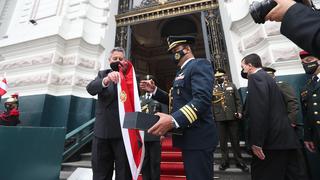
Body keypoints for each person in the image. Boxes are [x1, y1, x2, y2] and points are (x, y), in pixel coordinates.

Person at [139, 35, 218, 180]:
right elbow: (176, 100)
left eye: (176, 50)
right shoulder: (181, 72)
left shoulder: (199, 65)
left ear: (187, 49)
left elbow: (202, 100)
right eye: (172, 52)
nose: (174, 54)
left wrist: (173, 120)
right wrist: (155, 91)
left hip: (198, 136)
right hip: (188, 137)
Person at [241, 53, 307, 180]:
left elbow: (259, 112)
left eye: (243, 66)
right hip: (285, 139)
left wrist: (257, 142)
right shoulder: (268, 77)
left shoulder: (255, 78)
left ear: (250, 66)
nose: (243, 70)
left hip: (271, 142)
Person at [86, 47, 132, 180]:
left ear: (125, 61)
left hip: (123, 134)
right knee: (101, 173)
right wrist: (106, 80)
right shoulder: (102, 74)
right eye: (115, 58)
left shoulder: (130, 77)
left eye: (120, 59)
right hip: (103, 133)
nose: (117, 61)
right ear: (109, 60)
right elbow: (90, 89)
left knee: (123, 173)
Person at [212, 68, 249, 172]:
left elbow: (238, 100)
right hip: (219, 118)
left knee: (235, 140)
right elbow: (211, 104)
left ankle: (239, 161)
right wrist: (213, 116)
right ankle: (224, 161)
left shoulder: (231, 86)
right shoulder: (212, 88)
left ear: (225, 76)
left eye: (221, 76)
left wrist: (240, 111)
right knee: (223, 142)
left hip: (233, 117)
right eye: (217, 77)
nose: (219, 78)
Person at [139, 75, 167, 180]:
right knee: (145, 161)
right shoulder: (140, 99)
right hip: (143, 135)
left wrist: (163, 134)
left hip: (156, 134)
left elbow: (164, 114)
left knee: (155, 161)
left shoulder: (160, 99)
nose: (148, 83)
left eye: (151, 82)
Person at [299, 50, 320, 153]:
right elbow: (306, 115)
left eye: (309, 60)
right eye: (303, 62)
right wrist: (308, 137)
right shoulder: (305, 88)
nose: (305, 64)